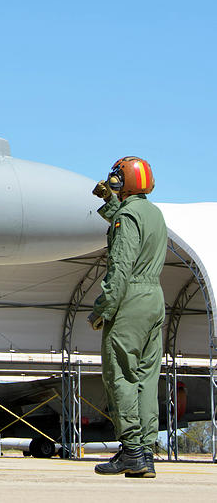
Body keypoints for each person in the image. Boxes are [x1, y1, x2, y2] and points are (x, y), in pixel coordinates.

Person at [88, 156, 167, 478]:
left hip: (130, 297)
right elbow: (128, 220)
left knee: (120, 373)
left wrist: (102, 309)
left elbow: (120, 266)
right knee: (146, 378)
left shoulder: (129, 216)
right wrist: (110, 202)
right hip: (154, 299)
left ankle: (131, 449)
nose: (113, 182)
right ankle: (144, 452)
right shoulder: (153, 213)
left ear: (125, 180)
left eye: (116, 178)